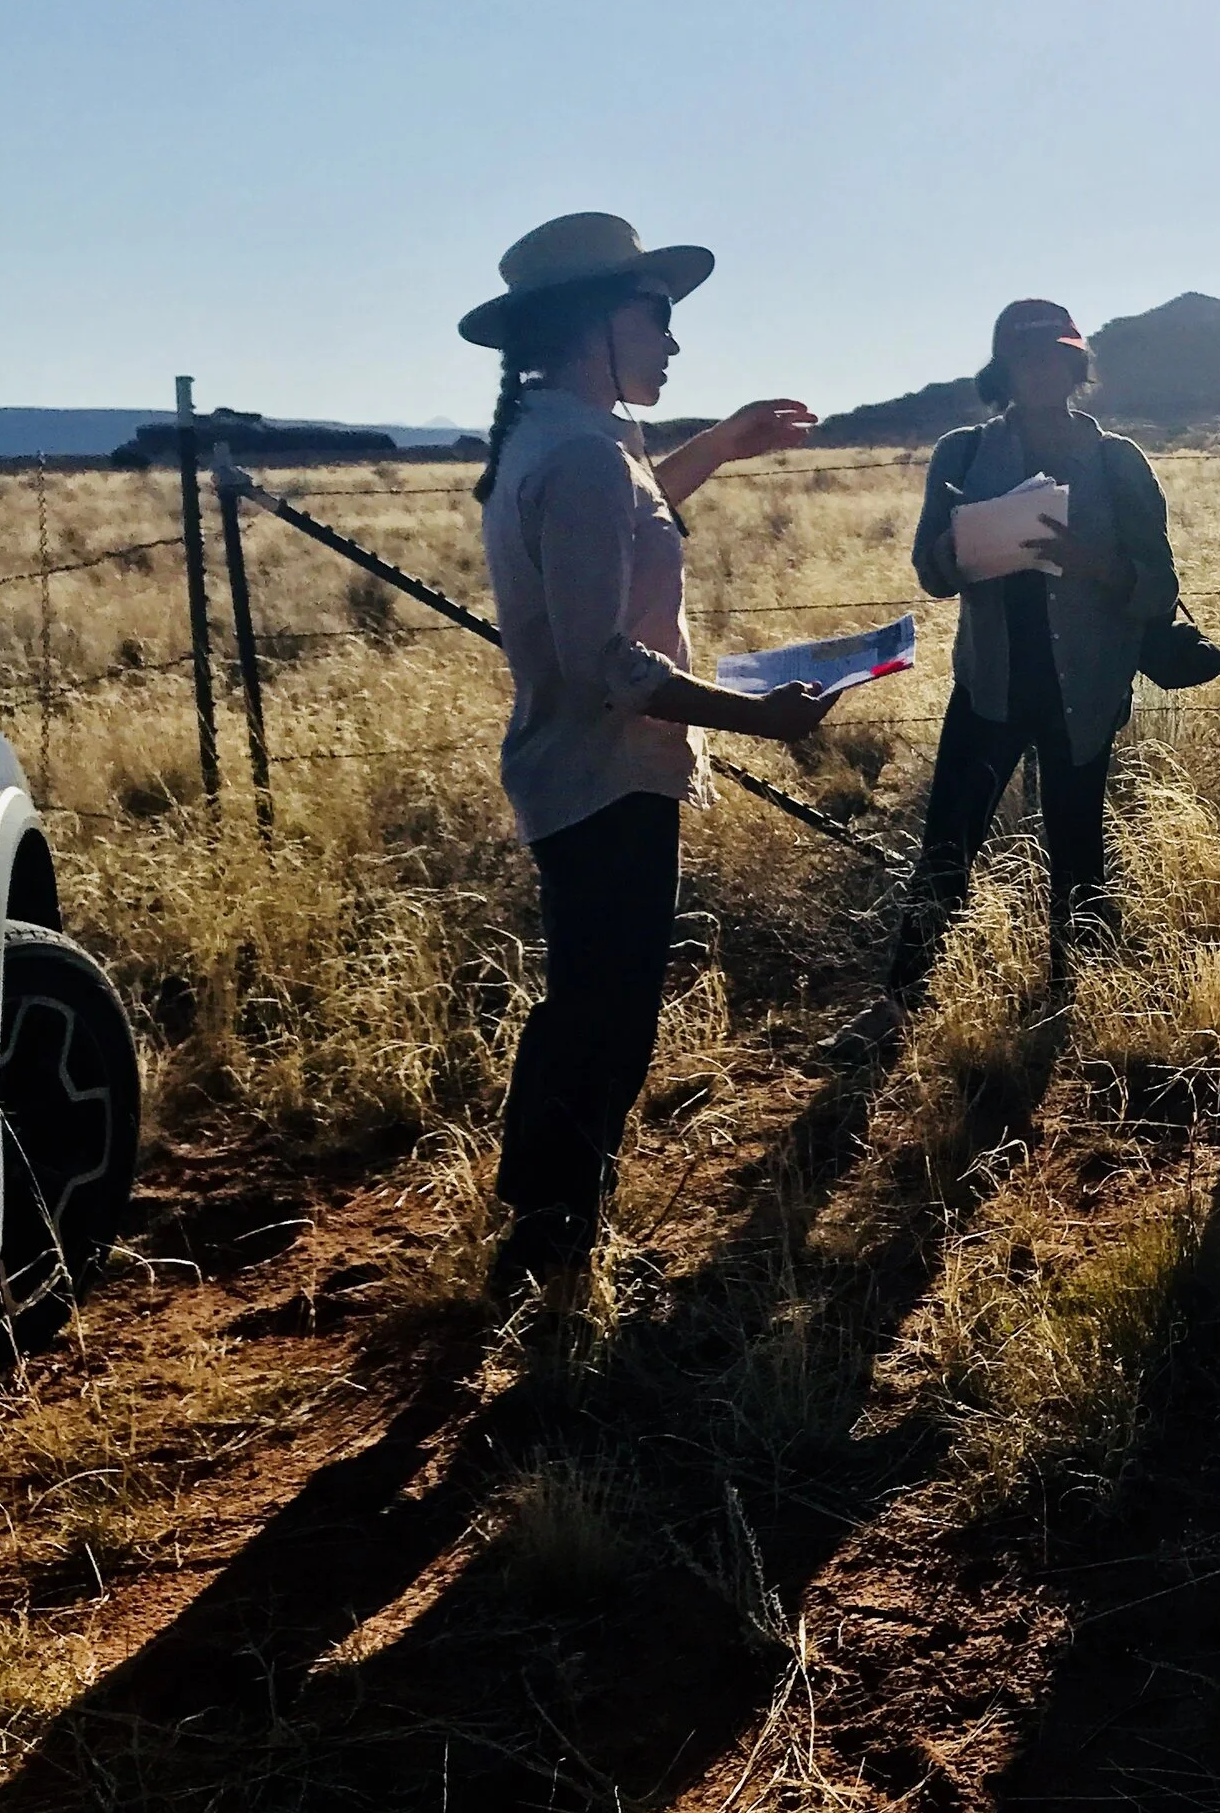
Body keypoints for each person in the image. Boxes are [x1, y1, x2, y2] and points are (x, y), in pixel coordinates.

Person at [465, 210, 836, 1300]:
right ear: (593, 324)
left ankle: (542, 1206)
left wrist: (718, 445)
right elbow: (605, 665)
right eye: (654, 318)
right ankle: (554, 1240)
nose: (672, 342)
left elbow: (627, 517)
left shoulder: (570, 436)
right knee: (607, 1013)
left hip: (584, 769)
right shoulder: (580, 452)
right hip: (603, 770)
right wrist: (759, 718)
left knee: (588, 997)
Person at [886, 297, 1177, 1005]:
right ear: (1003, 369)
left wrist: (1089, 561)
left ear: (1077, 364)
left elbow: (1161, 586)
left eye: (1055, 356)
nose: (1041, 371)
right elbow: (930, 572)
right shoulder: (963, 451)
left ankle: (1077, 1004)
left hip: (1084, 686)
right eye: (1025, 358)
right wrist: (968, 547)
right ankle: (898, 1000)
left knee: (1079, 849)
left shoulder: (1116, 461)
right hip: (993, 682)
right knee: (948, 847)